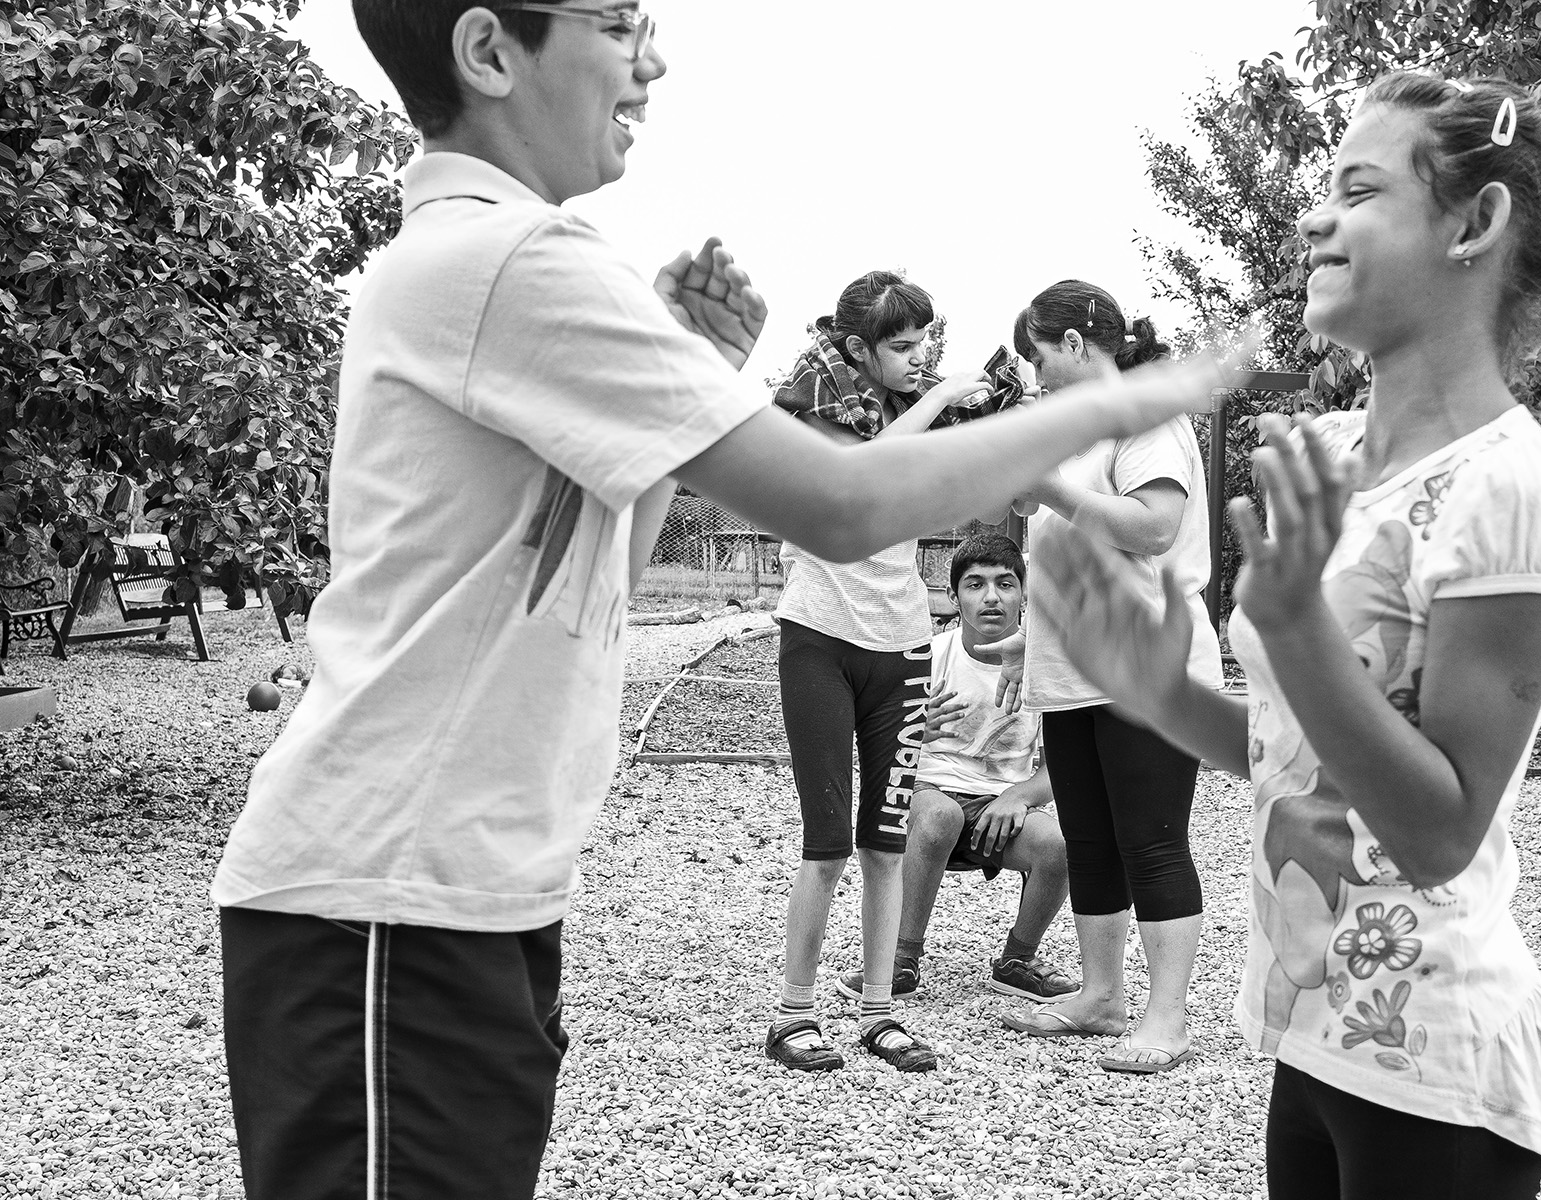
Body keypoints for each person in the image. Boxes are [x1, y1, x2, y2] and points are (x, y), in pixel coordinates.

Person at [210, 5, 1249, 1196]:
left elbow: (606, 550)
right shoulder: (510, 259)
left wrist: (690, 369)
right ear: (490, 52)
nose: (653, 58)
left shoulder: (486, 258)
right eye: (618, 24)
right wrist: (1111, 405)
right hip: (386, 901)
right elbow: (849, 507)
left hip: (452, 893)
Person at [1031, 74, 1541, 1199]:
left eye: (1357, 189)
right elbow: (1299, 752)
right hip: (1316, 1030)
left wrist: (1293, 627)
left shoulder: (1514, 490)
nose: (1314, 218)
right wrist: (1161, 690)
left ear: (1476, 224)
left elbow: (1441, 827)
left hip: (1435, 1061)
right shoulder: (1339, 453)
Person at [765, 272, 1006, 1075]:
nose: (917, 360)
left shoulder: (921, 402)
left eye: (922, 345)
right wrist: (942, 404)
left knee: (885, 843)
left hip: (899, 642)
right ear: (858, 349)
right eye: (900, 347)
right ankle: (793, 1013)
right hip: (821, 639)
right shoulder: (814, 402)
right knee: (827, 843)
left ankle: (878, 1012)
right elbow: (860, 477)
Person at [995, 282, 1222, 1076]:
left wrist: (1051, 486)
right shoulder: (1078, 430)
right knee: (1091, 840)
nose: (1037, 373)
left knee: (1150, 841)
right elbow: (1071, 548)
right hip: (1076, 667)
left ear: (1080, 344)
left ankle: (1167, 1018)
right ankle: (1101, 996)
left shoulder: (1146, 416)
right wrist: (1030, 639)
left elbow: (1154, 528)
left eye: (1042, 354)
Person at [834, 533, 1079, 1007]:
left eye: (1006, 584)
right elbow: (868, 739)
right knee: (939, 816)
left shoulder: (1045, 669)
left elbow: (1060, 768)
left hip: (999, 806)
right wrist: (909, 730)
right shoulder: (927, 655)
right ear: (953, 597)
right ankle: (899, 959)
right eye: (975, 584)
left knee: (1060, 847)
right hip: (928, 794)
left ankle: (1016, 962)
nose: (991, 597)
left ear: (1024, 594)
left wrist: (1019, 797)